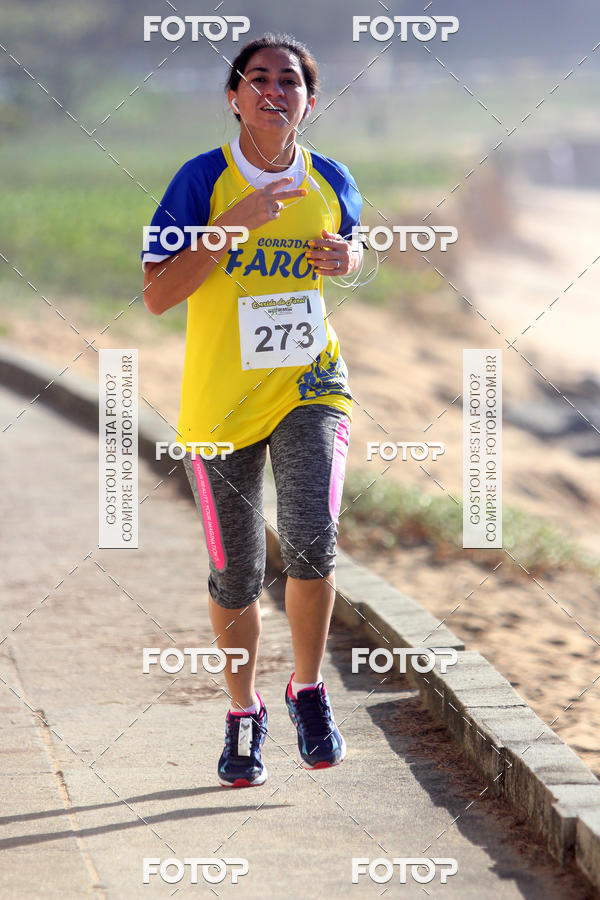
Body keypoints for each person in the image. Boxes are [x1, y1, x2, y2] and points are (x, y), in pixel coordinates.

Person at [142, 33, 364, 787]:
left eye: (292, 81)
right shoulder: (200, 180)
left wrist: (349, 262)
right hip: (218, 406)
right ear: (234, 97)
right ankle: (243, 712)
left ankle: (307, 690)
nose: (276, 90)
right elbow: (158, 295)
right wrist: (230, 226)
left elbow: (350, 248)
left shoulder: (331, 177)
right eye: (259, 79)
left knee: (311, 538)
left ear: (310, 99)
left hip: (311, 386)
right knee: (235, 575)